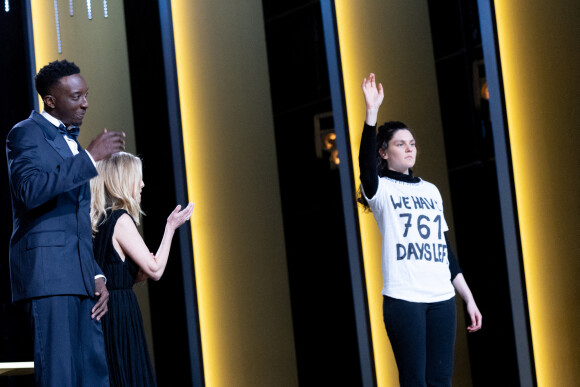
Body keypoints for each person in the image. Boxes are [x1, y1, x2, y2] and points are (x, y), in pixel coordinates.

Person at [6, 59, 126, 386]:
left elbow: (76, 223)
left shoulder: (70, 140)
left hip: (82, 279)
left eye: (86, 95)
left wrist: (96, 273)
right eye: (76, 97)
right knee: (59, 375)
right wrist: (87, 158)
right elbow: (29, 191)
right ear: (51, 100)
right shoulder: (25, 133)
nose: (85, 103)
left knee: (93, 374)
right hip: (48, 276)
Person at [358, 73, 482, 387]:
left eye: (412, 143)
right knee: (414, 381)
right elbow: (365, 167)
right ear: (385, 152)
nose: (409, 148)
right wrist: (372, 113)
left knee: (441, 380)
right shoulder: (381, 189)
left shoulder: (430, 191)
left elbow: (444, 250)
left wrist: (468, 298)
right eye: (400, 144)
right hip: (403, 298)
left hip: (441, 296)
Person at [90, 151, 194, 386]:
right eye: (138, 177)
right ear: (124, 180)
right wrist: (170, 228)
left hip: (104, 315)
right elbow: (155, 270)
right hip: (119, 313)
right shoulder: (120, 220)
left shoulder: (98, 219)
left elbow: (122, 273)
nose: (143, 184)